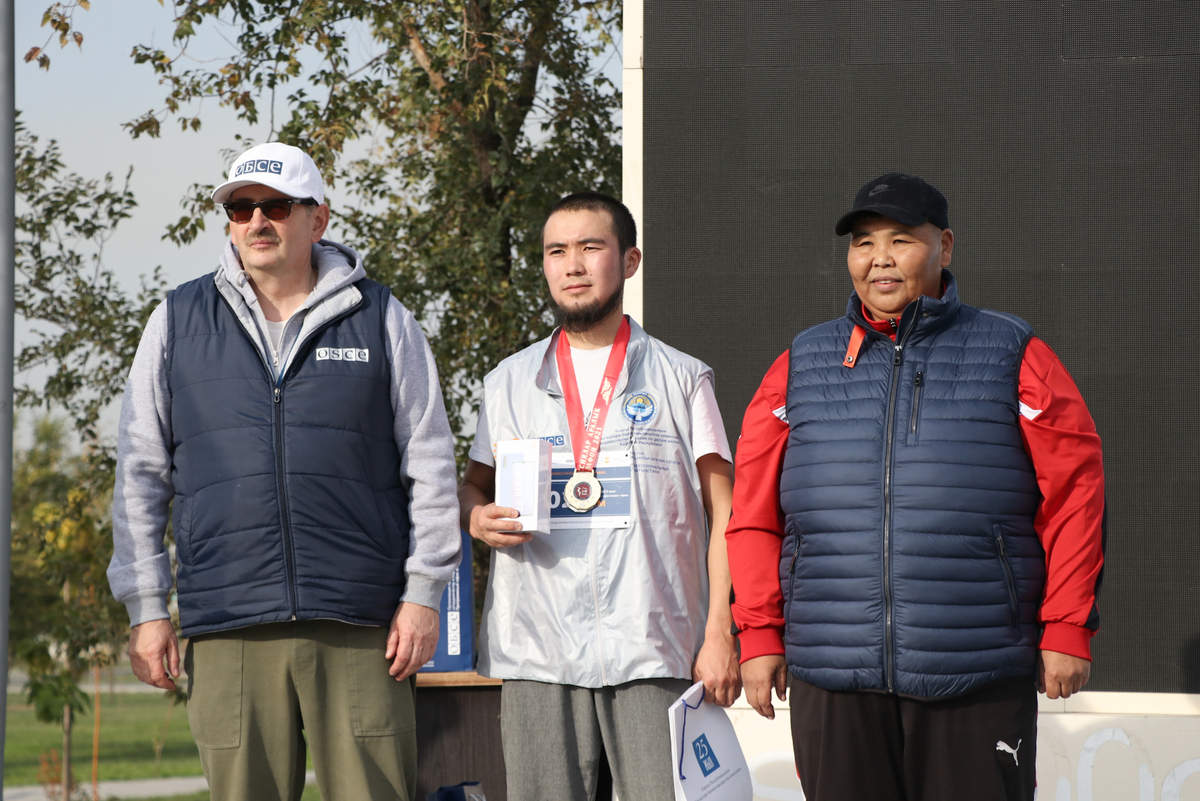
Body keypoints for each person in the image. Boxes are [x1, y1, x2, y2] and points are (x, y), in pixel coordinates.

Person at [727, 173, 1106, 800]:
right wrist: (759, 634)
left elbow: (1076, 492)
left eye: (900, 239)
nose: (879, 258)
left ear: (945, 246)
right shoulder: (799, 363)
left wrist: (1066, 625)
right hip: (832, 672)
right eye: (863, 242)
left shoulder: (1013, 351)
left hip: (977, 670)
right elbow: (753, 513)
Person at [107, 142, 460, 801]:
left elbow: (432, 464)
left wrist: (423, 595)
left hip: (362, 625)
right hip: (229, 620)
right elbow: (139, 475)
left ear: (318, 218)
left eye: (275, 206)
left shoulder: (383, 317)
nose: (256, 221)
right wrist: (146, 608)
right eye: (241, 208)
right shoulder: (176, 320)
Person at [458, 192, 741, 801]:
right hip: (538, 650)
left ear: (630, 260)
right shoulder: (508, 381)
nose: (573, 265)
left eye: (591, 247)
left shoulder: (682, 377)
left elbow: (727, 512)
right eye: (556, 251)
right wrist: (477, 518)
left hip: (654, 646)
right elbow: (471, 487)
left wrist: (721, 629)